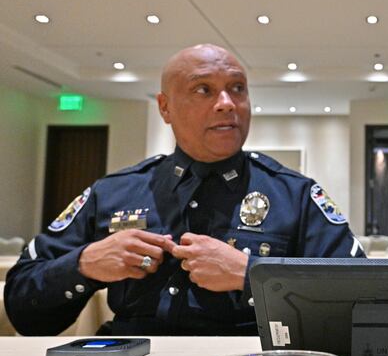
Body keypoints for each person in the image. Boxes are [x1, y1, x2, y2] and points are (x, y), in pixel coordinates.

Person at [3, 44, 365, 336]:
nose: (226, 102)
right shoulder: (113, 193)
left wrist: (253, 275)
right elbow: (24, 312)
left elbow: (362, 298)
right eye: (203, 90)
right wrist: (85, 264)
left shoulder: (295, 194)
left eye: (237, 88)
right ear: (165, 108)